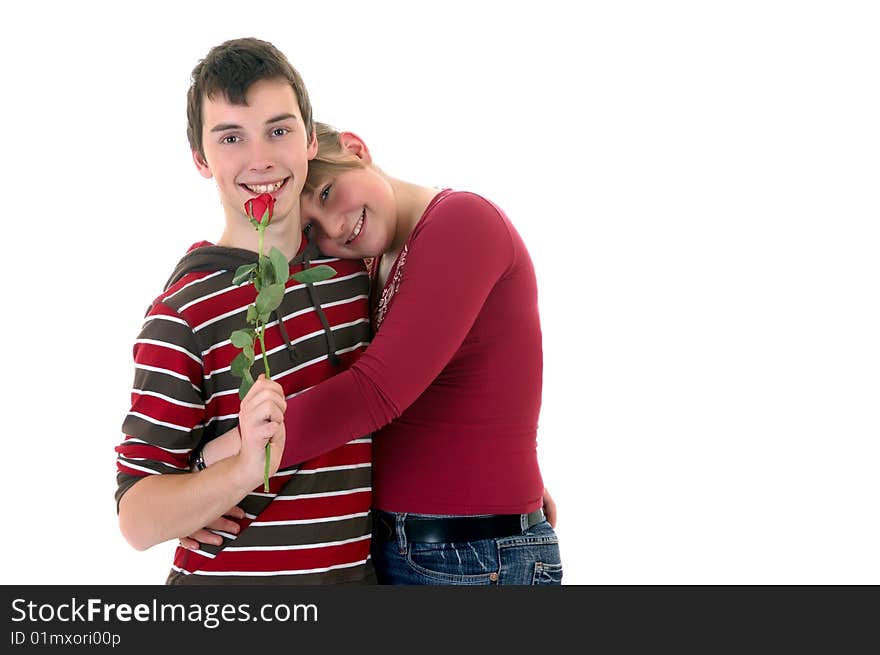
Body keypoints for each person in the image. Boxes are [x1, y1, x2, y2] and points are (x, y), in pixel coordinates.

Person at [195, 123, 562, 585]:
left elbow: (373, 392)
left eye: (327, 193)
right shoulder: (371, 264)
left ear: (355, 148)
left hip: (472, 557)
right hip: (403, 548)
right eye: (313, 229)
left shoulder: (463, 220)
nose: (337, 228)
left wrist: (217, 465)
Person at [115, 40, 375, 584]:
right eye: (231, 138)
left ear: (309, 138)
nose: (259, 158)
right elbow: (138, 518)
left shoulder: (352, 266)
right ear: (201, 159)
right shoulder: (182, 313)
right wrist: (236, 471)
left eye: (278, 130)